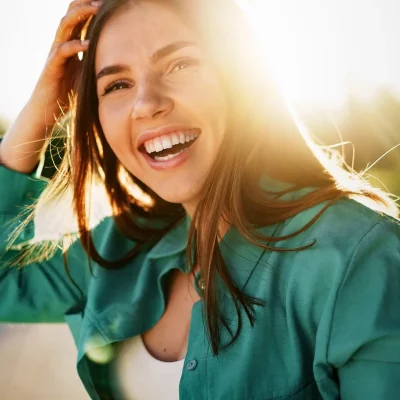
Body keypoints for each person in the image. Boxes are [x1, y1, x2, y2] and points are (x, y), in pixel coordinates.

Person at [0, 0, 399, 399]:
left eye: (180, 64)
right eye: (117, 85)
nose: (147, 104)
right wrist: (38, 111)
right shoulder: (117, 249)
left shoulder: (359, 257)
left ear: (241, 78)